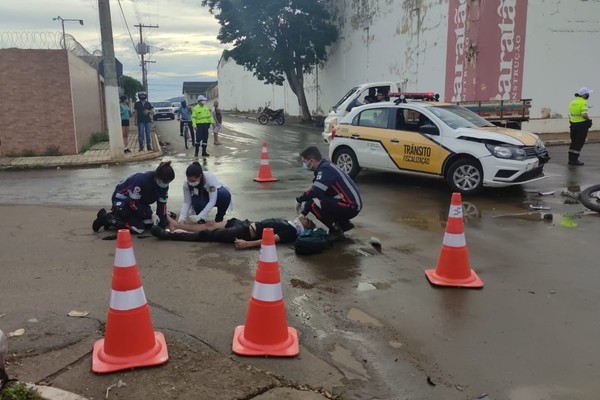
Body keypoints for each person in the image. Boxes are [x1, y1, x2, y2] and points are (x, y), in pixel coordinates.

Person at [296, 146, 362, 239]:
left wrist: (300, 199)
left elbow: (315, 192)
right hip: (349, 203)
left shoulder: (325, 170)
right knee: (318, 200)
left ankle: (336, 229)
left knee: (314, 205)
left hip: (350, 206)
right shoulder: (326, 166)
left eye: (304, 162)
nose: (304, 164)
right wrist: (303, 212)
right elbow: (318, 193)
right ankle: (343, 224)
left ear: (311, 161)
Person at [92, 161, 175, 234]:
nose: (166, 184)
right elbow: (133, 204)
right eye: (165, 182)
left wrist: (161, 225)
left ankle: (124, 219)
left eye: (168, 182)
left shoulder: (163, 187)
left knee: (158, 221)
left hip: (140, 202)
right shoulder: (142, 180)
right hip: (123, 199)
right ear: (158, 177)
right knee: (139, 229)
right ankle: (107, 219)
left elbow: (162, 205)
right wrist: (150, 214)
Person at [151, 215, 316, 249]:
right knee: (209, 224)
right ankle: (178, 226)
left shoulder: (291, 231)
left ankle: (169, 234)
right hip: (244, 223)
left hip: (244, 232)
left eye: (307, 219)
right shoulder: (290, 223)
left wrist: (247, 244)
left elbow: (270, 240)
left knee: (206, 234)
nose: (303, 216)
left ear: (306, 226)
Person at [568, 87, 593, 166]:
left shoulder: (573, 102)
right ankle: (574, 160)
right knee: (579, 143)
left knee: (573, 142)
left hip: (573, 124)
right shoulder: (583, 102)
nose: (589, 95)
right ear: (585, 95)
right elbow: (584, 114)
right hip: (581, 125)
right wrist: (588, 120)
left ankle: (571, 160)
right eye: (588, 94)